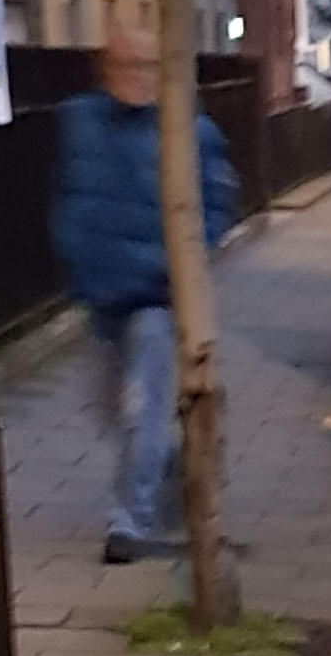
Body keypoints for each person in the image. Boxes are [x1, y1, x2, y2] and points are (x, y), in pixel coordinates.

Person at [49, 32, 243, 563]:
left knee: (143, 410)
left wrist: (177, 263)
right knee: (107, 410)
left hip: (157, 298)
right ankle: (169, 471)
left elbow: (217, 208)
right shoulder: (79, 121)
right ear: (104, 67)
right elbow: (67, 193)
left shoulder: (189, 132)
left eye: (148, 65)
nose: (136, 75)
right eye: (125, 64)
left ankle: (127, 524)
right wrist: (71, 244)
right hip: (101, 297)